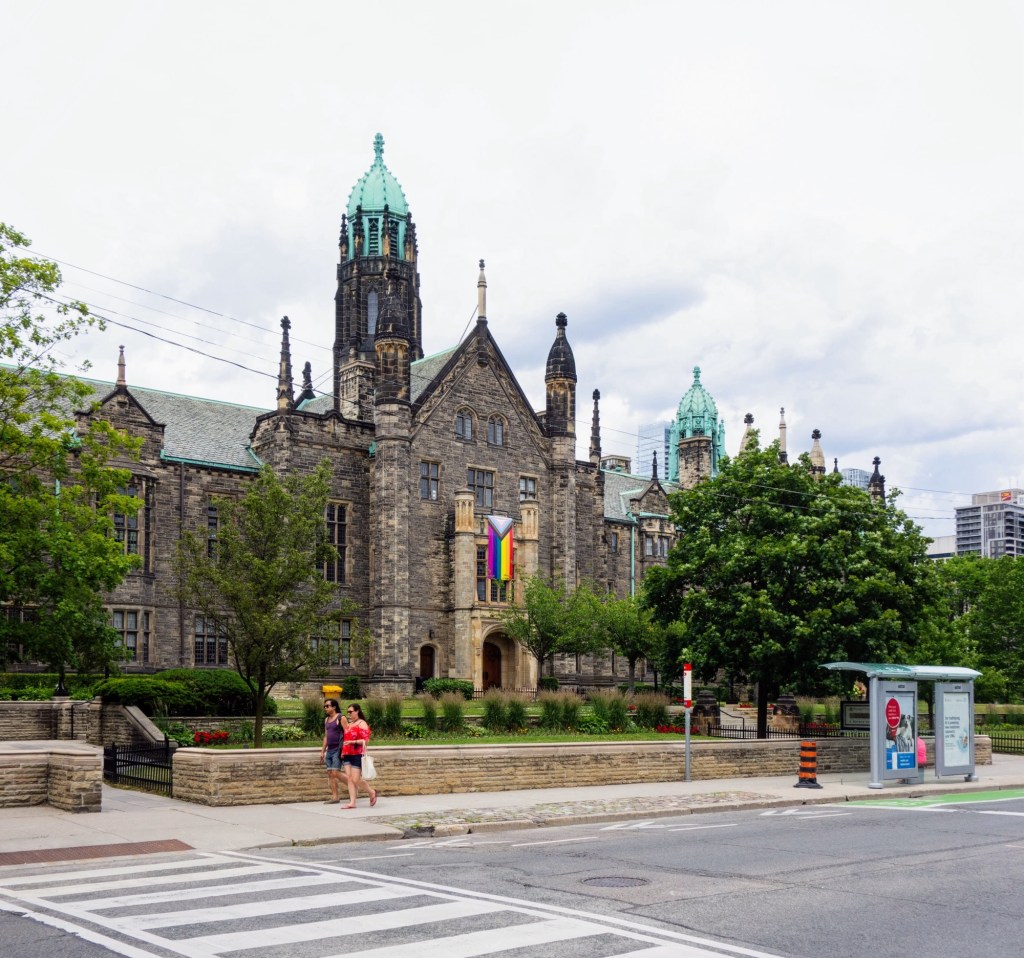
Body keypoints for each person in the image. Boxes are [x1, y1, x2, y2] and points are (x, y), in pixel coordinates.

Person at [339, 703, 378, 808]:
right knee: (349, 778)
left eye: (351, 712)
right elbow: (346, 739)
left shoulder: (362, 723)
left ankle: (371, 792)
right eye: (348, 712)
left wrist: (353, 742)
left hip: (357, 754)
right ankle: (352, 802)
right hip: (347, 754)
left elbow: (366, 741)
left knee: (355, 779)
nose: (349, 714)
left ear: (357, 711)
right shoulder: (350, 724)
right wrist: (343, 751)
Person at [319, 699, 343, 803]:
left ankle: (353, 784)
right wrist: (322, 751)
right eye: (324, 706)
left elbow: (347, 733)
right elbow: (326, 736)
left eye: (327, 706)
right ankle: (335, 797)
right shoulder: (326, 720)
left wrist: (344, 750)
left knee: (335, 773)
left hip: (338, 750)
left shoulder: (340, 717)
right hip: (329, 750)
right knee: (330, 774)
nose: (325, 708)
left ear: (334, 707)